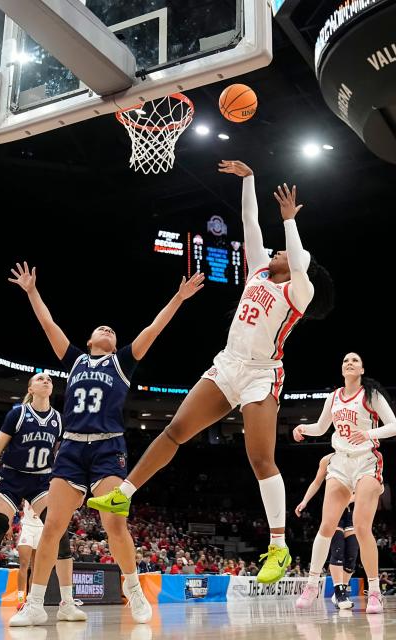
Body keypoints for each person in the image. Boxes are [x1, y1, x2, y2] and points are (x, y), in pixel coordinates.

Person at [88, 160, 334, 586]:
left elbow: (296, 258)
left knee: (260, 459)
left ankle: (279, 545)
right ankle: (123, 494)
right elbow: (250, 223)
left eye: (284, 252)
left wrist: (291, 221)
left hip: (262, 374)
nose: (275, 251)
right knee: (174, 431)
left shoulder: (300, 289)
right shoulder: (258, 270)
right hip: (227, 364)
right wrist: (250, 179)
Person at [7, 261, 204, 627]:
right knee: (52, 528)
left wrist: (178, 297)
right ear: (89, 341)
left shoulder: (122, 362)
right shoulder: (75, 360)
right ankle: (35, 604)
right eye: (101, 328)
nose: (107, 329)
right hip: (70, 449)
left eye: (112, 330)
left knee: (115, 523)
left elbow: (153, 328)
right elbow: (50, 326)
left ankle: (134, 590)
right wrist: (33, 292)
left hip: (107, 447)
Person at [0, 373, 82, 623]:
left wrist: (71, 485)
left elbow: (63, 456)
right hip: (11, 479)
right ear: (31, 387)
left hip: (41, 481)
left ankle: (67, 603)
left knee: (61, 535)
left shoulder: (58, 419)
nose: (46, 381)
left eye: (49, 380)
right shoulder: (18, 414)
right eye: (40, 378)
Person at [293, 353, 396, 613]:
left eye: (354, 360)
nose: (349, 363)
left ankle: (374, 591)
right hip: (340, 462)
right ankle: (312, 584)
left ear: (362, 368)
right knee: (326, 525)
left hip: (366, 460)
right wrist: (303, 428)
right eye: (344, 361)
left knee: (362, 527)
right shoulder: (334, 397)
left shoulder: (370, 395)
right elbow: (321, 427)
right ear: (342, 369)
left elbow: (394, 426)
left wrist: (368, 433)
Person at [294, 455, 360, 610]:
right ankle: (339, 592)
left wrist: (349, 499)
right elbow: (317, 482)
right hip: (334, 510)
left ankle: (341, 589)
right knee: (337, 551)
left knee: (352, 555)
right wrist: (305, 501)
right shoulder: (327, 460)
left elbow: (362, 489)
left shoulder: (360, 458)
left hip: (351, 512)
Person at [16, 500, 45, 604]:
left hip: (41, 527)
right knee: (23, 564)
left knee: (35, 567)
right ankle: (20, 600)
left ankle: (30, 598)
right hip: (27, 527)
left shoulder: (51, 487)